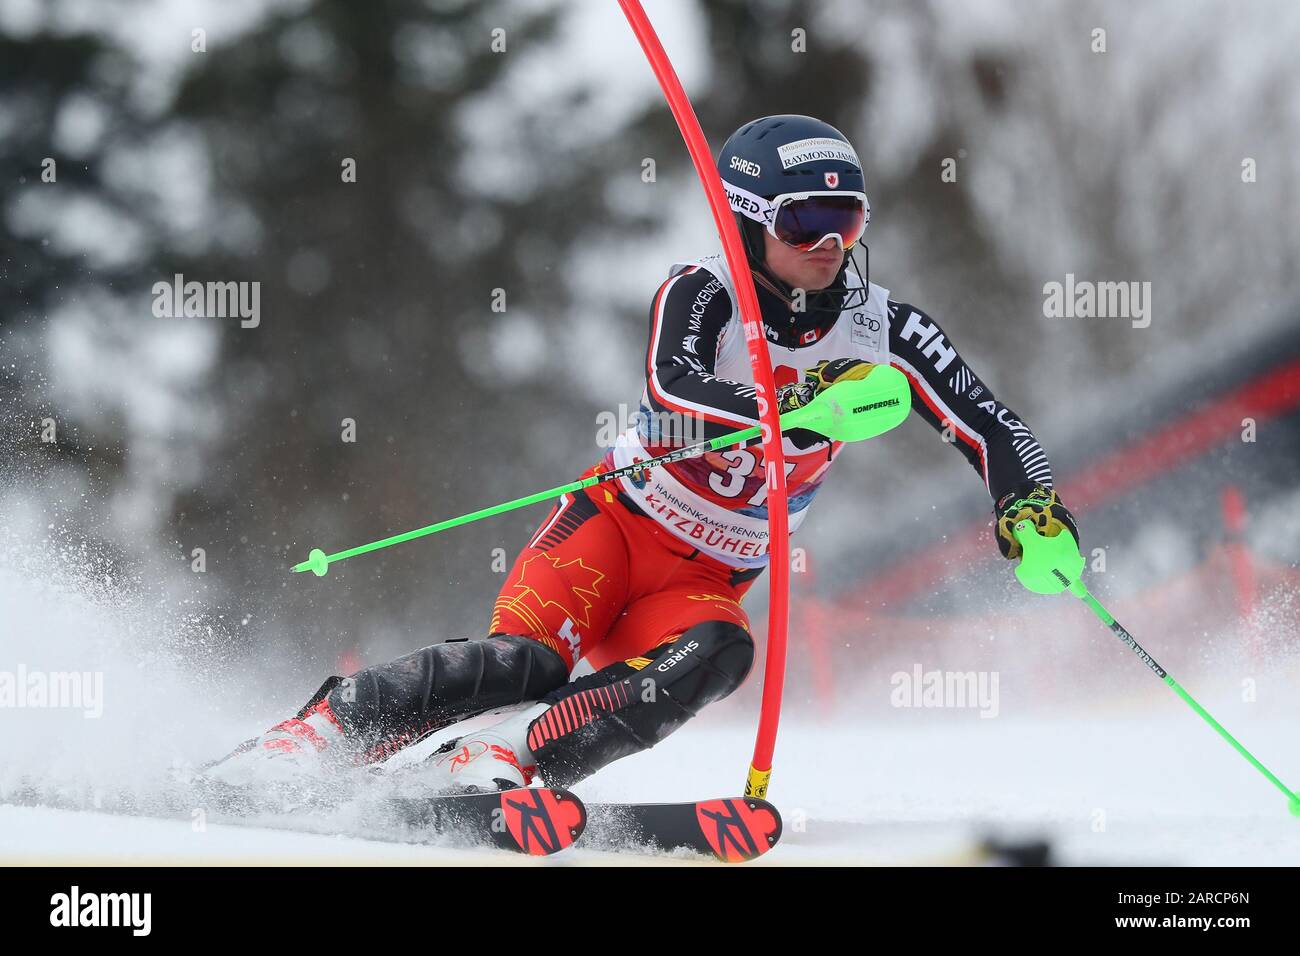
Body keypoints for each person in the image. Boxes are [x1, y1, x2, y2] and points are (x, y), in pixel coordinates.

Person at [208, 114, 1078, 794]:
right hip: (616, 529)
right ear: (746, 223)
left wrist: (1030, 507)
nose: (828, 242)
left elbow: (988, 422)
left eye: (845, 218)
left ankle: (497, 764)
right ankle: (318, 734)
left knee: (719, 657)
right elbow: (676, 391)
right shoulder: (702, 292)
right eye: (803, 219)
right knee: (529, 664)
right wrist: (802, 406)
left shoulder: (886, 330)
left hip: (711, 577)